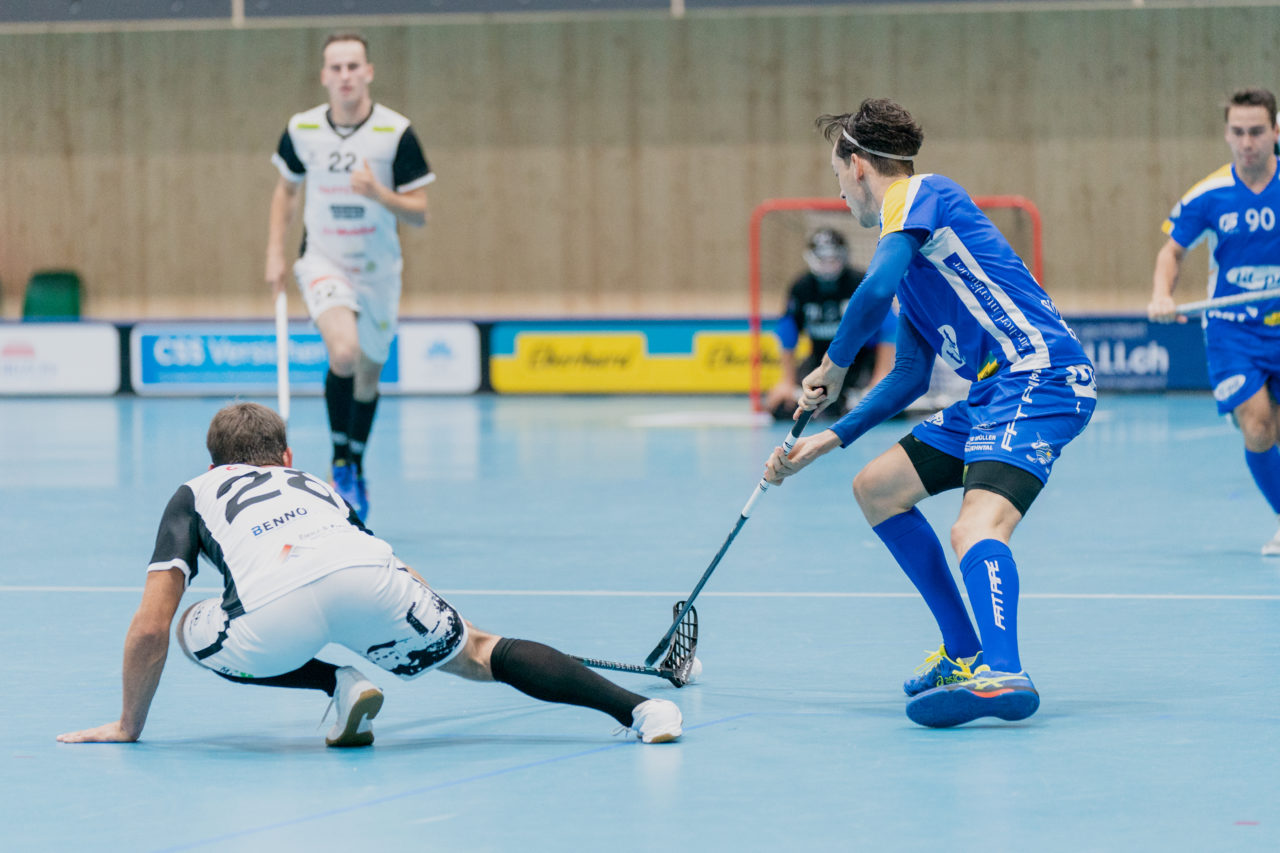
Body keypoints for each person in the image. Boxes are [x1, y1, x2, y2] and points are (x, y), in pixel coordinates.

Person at [57, 403, 683, 747]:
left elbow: (149, 627)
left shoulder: (193, 493)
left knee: (193, 624)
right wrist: (443, 625)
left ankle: (337, 683)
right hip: (375, 581)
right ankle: (643, 711)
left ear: (213, 461)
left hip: (274, 618)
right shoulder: (317, 484)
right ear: (287, 458)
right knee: (482, 650)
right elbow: (384, 558)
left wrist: (128, 724)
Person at [763, 99, 1097, 728]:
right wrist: (827, 441)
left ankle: (1005, 673)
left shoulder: (924, 195)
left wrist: (833, 367)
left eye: (837, 177)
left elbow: (875, 289)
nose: (840, 194)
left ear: (858, 166)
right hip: (992, 393)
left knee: (974, 529)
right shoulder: (916, 262)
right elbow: (909, 376)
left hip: (1040, 375)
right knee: (877, 488)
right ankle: (965, 651)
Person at [264, 31, 432, 521]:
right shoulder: (302, 130)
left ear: (369, 72)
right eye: (335, 68)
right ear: (324, 76)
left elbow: (419, 212)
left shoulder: (396, 132)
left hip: (379, 269)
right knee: (344, 351)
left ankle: (354, 459)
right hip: (324, 259)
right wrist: (276, 251)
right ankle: (340, 464)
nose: (345, 76)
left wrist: (380, 193)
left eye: (353, 67)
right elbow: (285, 192)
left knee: (369, 373)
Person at [1148, 87, 1280, 556]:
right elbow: (1172, 250)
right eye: (1238, 132)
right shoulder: (1209, 195)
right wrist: (1163, 294)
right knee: (1260, 426)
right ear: (1227, 134)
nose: (1247, 143)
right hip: (1232, 330)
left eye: (1257, 132)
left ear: (1275, 131)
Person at [762, 228, 896, 421]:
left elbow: (889, 326)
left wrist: (881, 376)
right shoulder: (801, 287)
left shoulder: (861, 281)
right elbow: (788, 333)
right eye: (822, 259)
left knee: (880, 408)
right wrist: (786, 381)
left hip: (862, 362)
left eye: (833, 259)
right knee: (783, 408)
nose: (828, 265)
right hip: (821, 361)